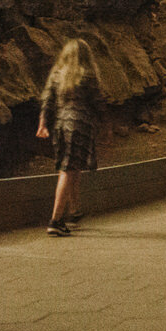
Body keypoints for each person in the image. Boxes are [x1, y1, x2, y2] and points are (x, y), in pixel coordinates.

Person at [37, 39, 102, 237]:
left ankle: (73, 211)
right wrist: (105, 125)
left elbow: (47, 100)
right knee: (68, 170)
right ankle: (55, 220)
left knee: (70, 167)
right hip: (80, 125)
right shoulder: (88, 75)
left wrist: (42, 124)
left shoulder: (57, 74)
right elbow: (98, 103)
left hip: (60, 125)